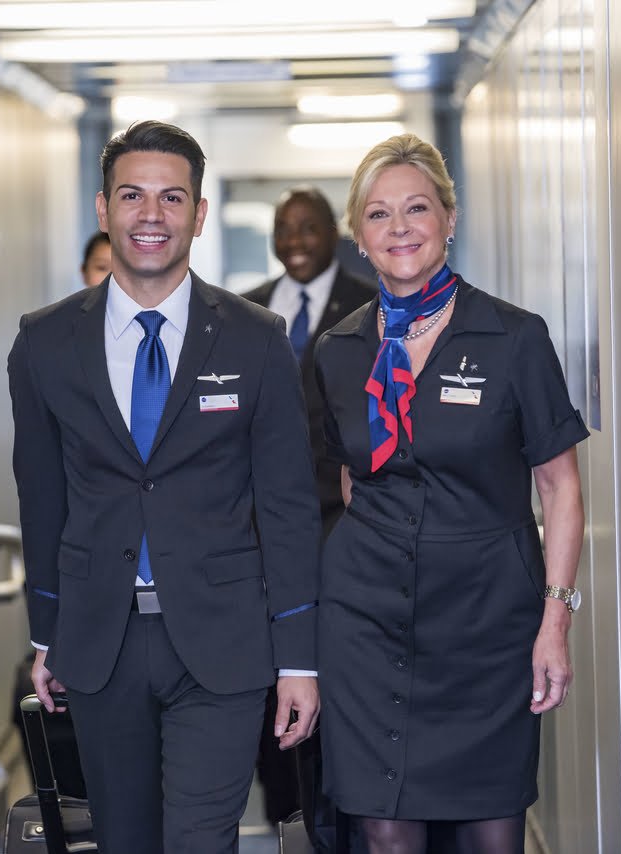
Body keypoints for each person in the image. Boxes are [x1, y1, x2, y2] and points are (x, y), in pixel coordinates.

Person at [8, 120, 322, 854]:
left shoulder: (255, 338)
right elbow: (41, 497)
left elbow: (288, 506)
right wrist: (45, 634)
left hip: (223, 641)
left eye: (172, 197)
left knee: (199, 840)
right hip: (99, 640)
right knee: (125, 841)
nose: (151, 215)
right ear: (103, 209)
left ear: (199, 214)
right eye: (133, 195)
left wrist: (298, 658)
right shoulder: (45, 342)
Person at [313, 133, 588, 853]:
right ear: (358, 235)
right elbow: (350, 477)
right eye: (378, 215)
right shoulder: (338, 350)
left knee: (490, 838)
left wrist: (554, 620)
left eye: (417, 209)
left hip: (487, 624)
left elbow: (560, 489)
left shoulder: (514, 337)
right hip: (366, 624)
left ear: (450, 219)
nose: (399, 228)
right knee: (383, 835)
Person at [241, 186, 373, 848]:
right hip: (260, 534)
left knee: (328, 675)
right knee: (270, 677)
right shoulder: (246, 311)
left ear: (335, 234)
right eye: (283, 228)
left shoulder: (372, 307)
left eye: (309, 228)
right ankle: (281, 810)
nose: (294, 240)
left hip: (339, 525)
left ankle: (328, 816)